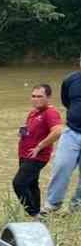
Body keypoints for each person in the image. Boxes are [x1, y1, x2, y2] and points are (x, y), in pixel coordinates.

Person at [14, 85, 63, 217]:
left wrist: (40, 146)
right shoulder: (33, 112)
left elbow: (57, 131)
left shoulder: (50, 112)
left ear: (48, 97)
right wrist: (22, 132)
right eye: (33, 96)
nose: (35, 99)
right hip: (25, 154)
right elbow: (30, 129)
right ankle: (38, 214)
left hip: (37, 156)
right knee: (31, 184)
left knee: (19, 183)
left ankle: (33, 214)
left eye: (39, 96)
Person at [43, 57, 81, 213]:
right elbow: (66, 101)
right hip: (71, 131)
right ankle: (52, 204)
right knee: (61, 167)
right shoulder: (71, 80)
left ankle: (76, 208)